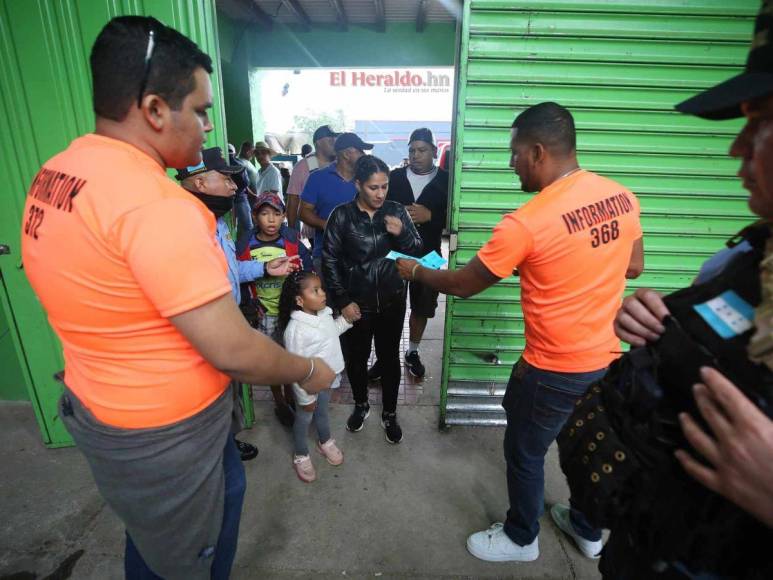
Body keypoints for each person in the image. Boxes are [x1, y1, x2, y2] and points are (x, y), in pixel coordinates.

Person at [20, 16, 334, 580]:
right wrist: (308, 367)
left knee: (163, 534)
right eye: (201, 109)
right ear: (156, 110)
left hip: (102, 404)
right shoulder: (157, 206)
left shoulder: (59, 173)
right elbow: (233, 350)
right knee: (186, 560)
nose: (209, 126)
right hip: (163, 432)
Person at [395, 102, 644, 562]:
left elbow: (465, 284)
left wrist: (416, 272)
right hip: (607, 359)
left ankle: (521, 537)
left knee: (525, 453)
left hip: (551, 368)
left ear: (536, 152)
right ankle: (588, 529)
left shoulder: (526, 223)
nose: (511, 165)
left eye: (514, 155)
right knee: (589, 444)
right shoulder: (620, 197)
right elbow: (633, 265)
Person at [176, 146, 299, 461]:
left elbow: (230, 270)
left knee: (226, 393)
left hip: (224, 326)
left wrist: (264, 268)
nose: (234, 187)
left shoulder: (217, 222)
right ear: (200, 183)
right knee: (208, 399)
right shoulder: (180, 228)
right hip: (202, 333)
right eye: (227, 179)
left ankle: (227, 444)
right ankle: (214, 452)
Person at [323, 155, 423, 443]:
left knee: (390, 358)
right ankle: (361, 405)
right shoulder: (341, 216)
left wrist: (402, 233)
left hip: (392, 300)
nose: (381, 194)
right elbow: (329, 261)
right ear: (358, 185)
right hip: (357, 304)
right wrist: (342, 300)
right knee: (357, 358)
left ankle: (389, 413)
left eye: (384, 186)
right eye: (373, 188)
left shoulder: (395, 212)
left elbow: (416, 249)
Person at [369, 127, 449, 380]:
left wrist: (432, 216)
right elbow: (374, 207)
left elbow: (457, 216)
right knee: (389, 307)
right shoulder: (394, 178)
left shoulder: (447, 180)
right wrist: (393, 216)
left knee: (422, 306)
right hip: (394, 253)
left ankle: (413, 352)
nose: (416, 155)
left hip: (431, 254)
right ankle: (385, 357)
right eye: (412, 150)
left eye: (422, 150)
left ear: (434, 152)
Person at [240, 191, 312, 427]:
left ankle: (291, 396)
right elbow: (237, 277)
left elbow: (308, 272)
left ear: (283, 216)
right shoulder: (245, 244)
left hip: (289, 313)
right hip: (262, 314)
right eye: (264, 214)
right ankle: (279, 401)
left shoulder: (292, 242)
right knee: (272, 362)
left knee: (290, 357)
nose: (271, 220)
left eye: (276, 214)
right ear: (254, 216)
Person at [278, 271, 353, 482]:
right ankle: (301, 454)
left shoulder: (324, 314)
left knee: (322, 412)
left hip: (328, 377)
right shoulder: (296, 331)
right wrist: (304, 398)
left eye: (322, 289)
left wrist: (346, 320)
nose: (323, 294)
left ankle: (325, 440)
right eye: (316, 291)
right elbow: (294, 368)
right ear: (300, 300)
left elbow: (331, 332)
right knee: (304, 418)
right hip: (308, 386)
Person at [300, 132, 372, 274]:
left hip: (361, 256)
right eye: (360, 151)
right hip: (326, 255)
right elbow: (303, 211)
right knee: (327, 296)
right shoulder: (317, 178)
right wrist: (327, 225)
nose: (363, 154)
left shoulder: (366, 179)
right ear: (346, 154)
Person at [287, 125, 338, 230]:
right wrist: (291, 230)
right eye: (330, 140)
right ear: (318, 142)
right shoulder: (305, 166)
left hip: (340, 228)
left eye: (335, 139)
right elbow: (293, 199)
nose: (334, 143)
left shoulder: (340, 163)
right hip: (315, 228)